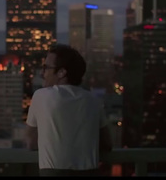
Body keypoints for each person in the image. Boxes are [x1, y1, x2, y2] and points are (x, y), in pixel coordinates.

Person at [26, 44, 113, 176]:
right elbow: (107, 144)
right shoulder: (94, 101)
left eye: (46, 68)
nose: (43, 73)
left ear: (62, 72)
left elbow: (30, 142)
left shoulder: (41, 96)